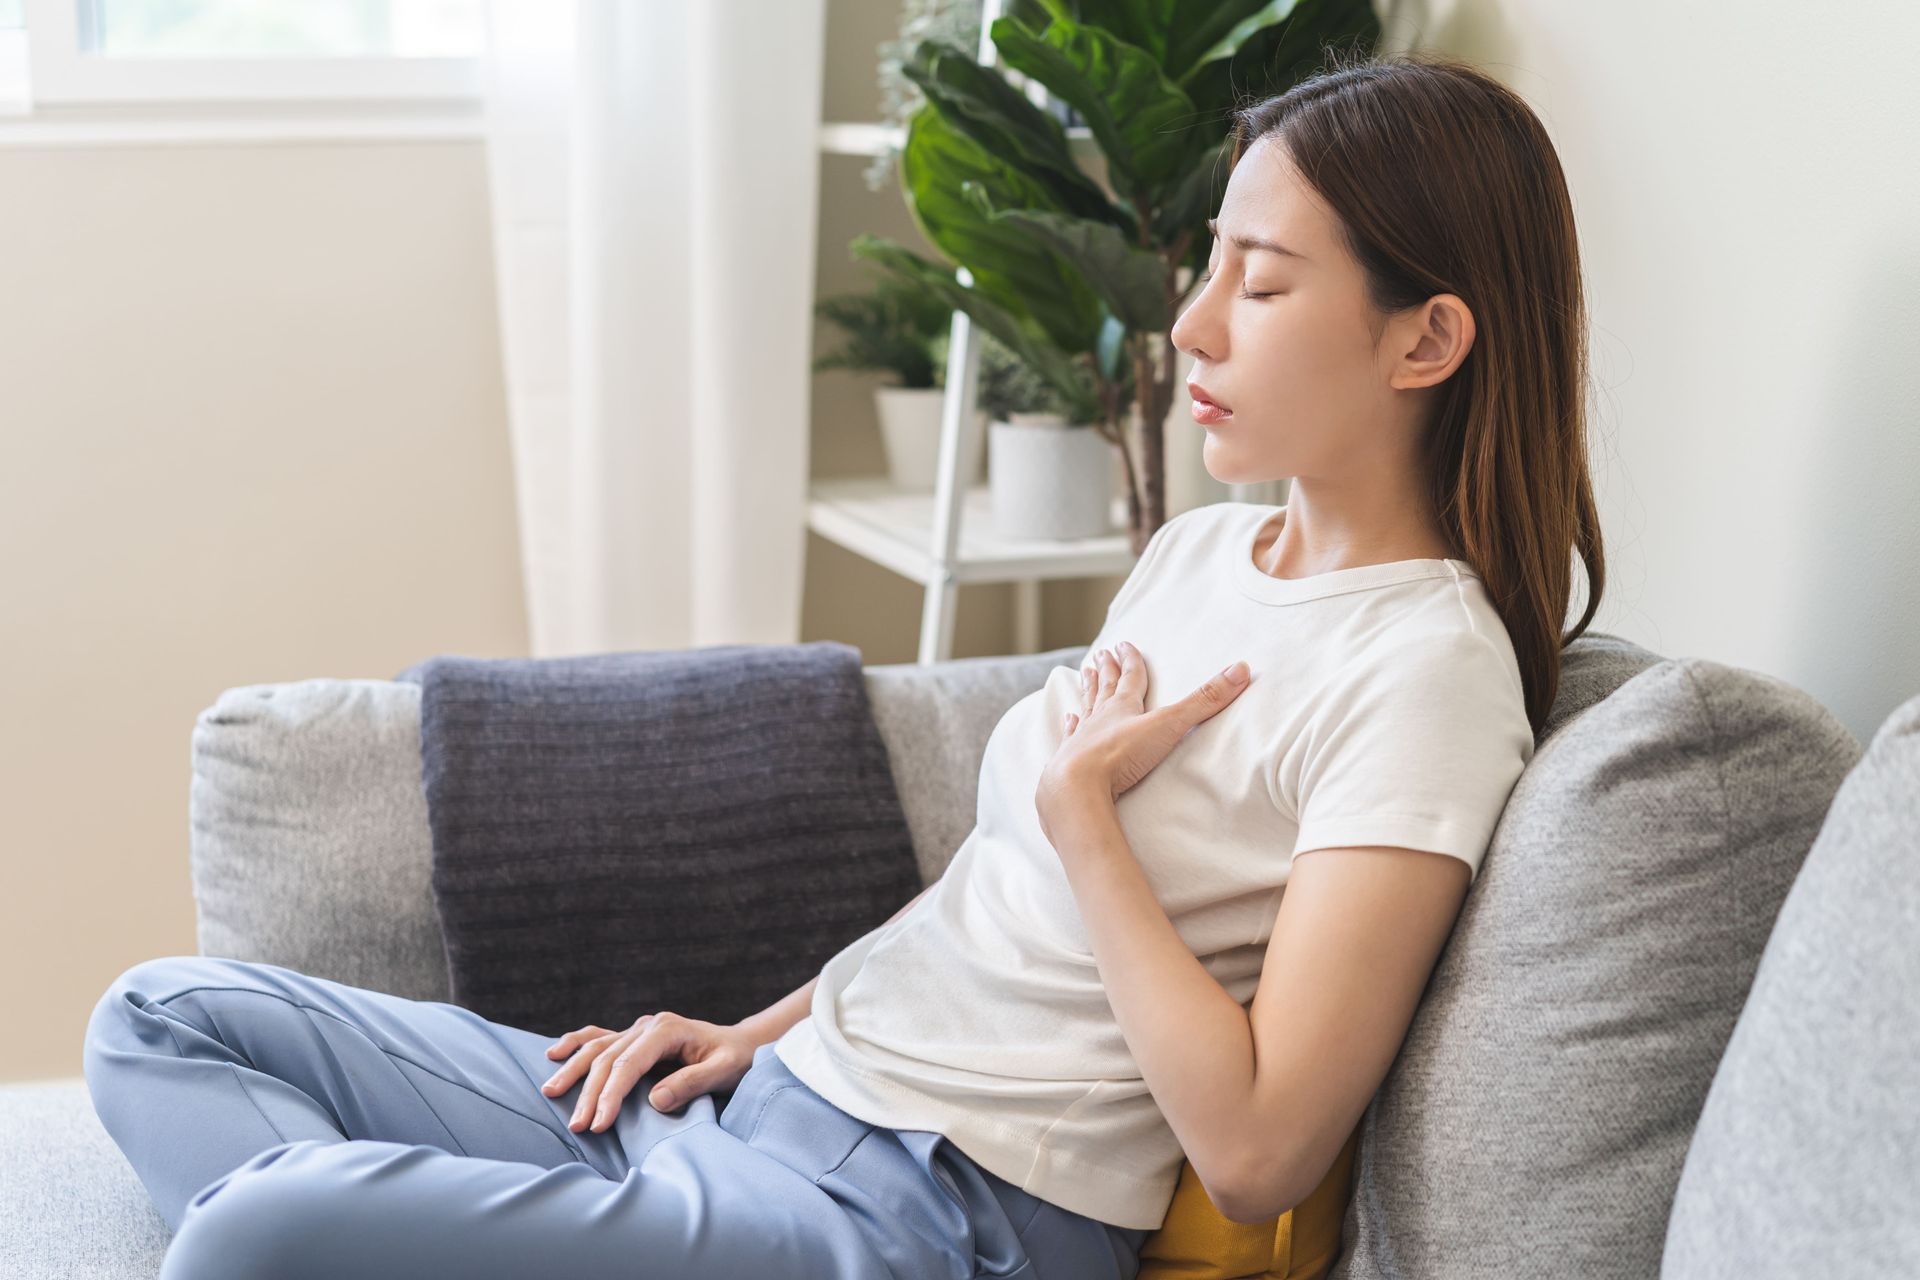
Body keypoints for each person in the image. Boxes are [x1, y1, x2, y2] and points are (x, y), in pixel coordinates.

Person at [83, 49, 1604, 1280]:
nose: (1192, 323)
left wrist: (1090, 830)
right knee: (159, 1017)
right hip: (763, 1113)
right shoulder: (1202, 553)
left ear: (1428, 341)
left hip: (924, 1222)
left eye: (1260, 287)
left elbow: (1262, 1147)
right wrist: (750, 1034)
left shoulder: (1423, 677)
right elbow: (992, 904)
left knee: (260, 1232)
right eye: (1210, 264)